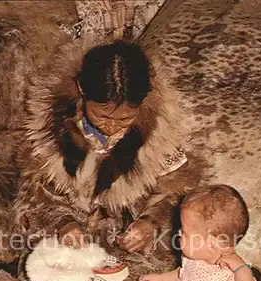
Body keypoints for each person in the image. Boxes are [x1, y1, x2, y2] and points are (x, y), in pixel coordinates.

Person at [14, 39, 192, 254]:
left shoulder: (159, 139)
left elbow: (179, 196)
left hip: (135, 251)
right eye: (102, 116)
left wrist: (151, 223)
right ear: (81, 89)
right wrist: (63, 224)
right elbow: (36, 199)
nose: (111, 127)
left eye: (125, 119)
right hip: (69, 247)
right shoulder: (51, 132)